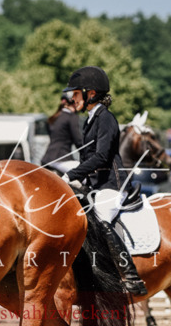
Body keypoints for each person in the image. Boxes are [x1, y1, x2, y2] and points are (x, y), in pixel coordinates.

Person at [59, 65, 147, 295]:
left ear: (90, 94)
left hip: (112, 184)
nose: (71, 98)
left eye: (76, 93)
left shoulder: (106, 118)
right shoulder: (89, 120)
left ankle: (131, 277)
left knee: (101, 219)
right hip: (96, 185)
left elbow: (101, 156)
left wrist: (72, 174)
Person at [41, 88, 83, 174]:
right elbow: (78, 141)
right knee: (87, 176)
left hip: (47, 159)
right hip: (61, 159)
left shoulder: (54, 118)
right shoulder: (71, 117)